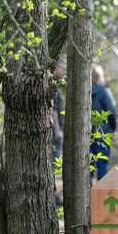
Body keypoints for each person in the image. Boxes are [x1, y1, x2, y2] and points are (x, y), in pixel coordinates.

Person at [90, 64, 117, 182]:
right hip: (103, 133)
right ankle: (101, 194)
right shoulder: (104, 91)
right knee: (102, 164)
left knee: (88, 166)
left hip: (88, 134)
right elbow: (112, 112)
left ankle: (87, 194)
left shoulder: (83, 92)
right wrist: (113, 127)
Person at [52, 59, 66, 206]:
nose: (64, 72)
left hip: (57, 131)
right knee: (54, 164)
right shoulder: (52, 85)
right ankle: (54, 195)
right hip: (55, 133)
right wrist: (58, 131)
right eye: (62, 69)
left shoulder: (57, 85)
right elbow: (54, 110)